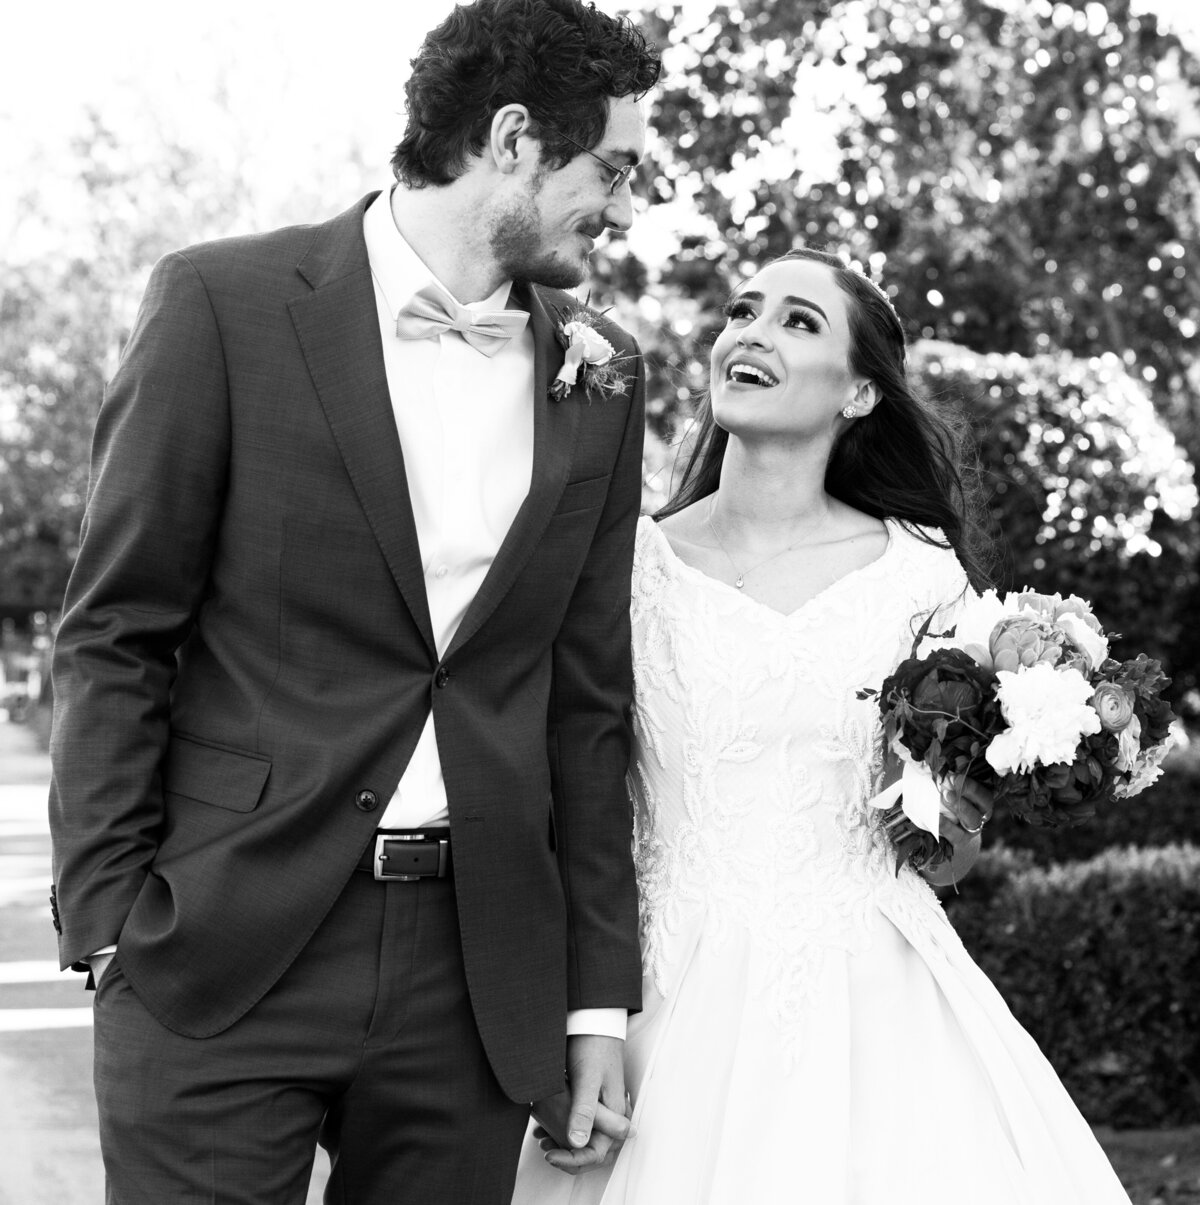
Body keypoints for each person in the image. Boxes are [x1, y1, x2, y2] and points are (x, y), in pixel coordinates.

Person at [47, 1, 660, 1200]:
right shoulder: (220, 304)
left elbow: (586, 701)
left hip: (475, 978)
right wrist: (112, 917)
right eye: (614, 168)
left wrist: (594, 997)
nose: (629, 209)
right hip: (221, 947)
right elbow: (117, 628)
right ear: (516, 137)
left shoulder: (605, 374)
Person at [512, 249, 1133, 1203]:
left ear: (858, 395)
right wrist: (582, 1015)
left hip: (880, 999)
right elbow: (577, 796)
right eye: (742, 311)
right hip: (666, 997)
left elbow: (945, 853)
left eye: (799, 322)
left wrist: (969, 799)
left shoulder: (922, 578)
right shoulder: (628, 565)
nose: (751, 332)